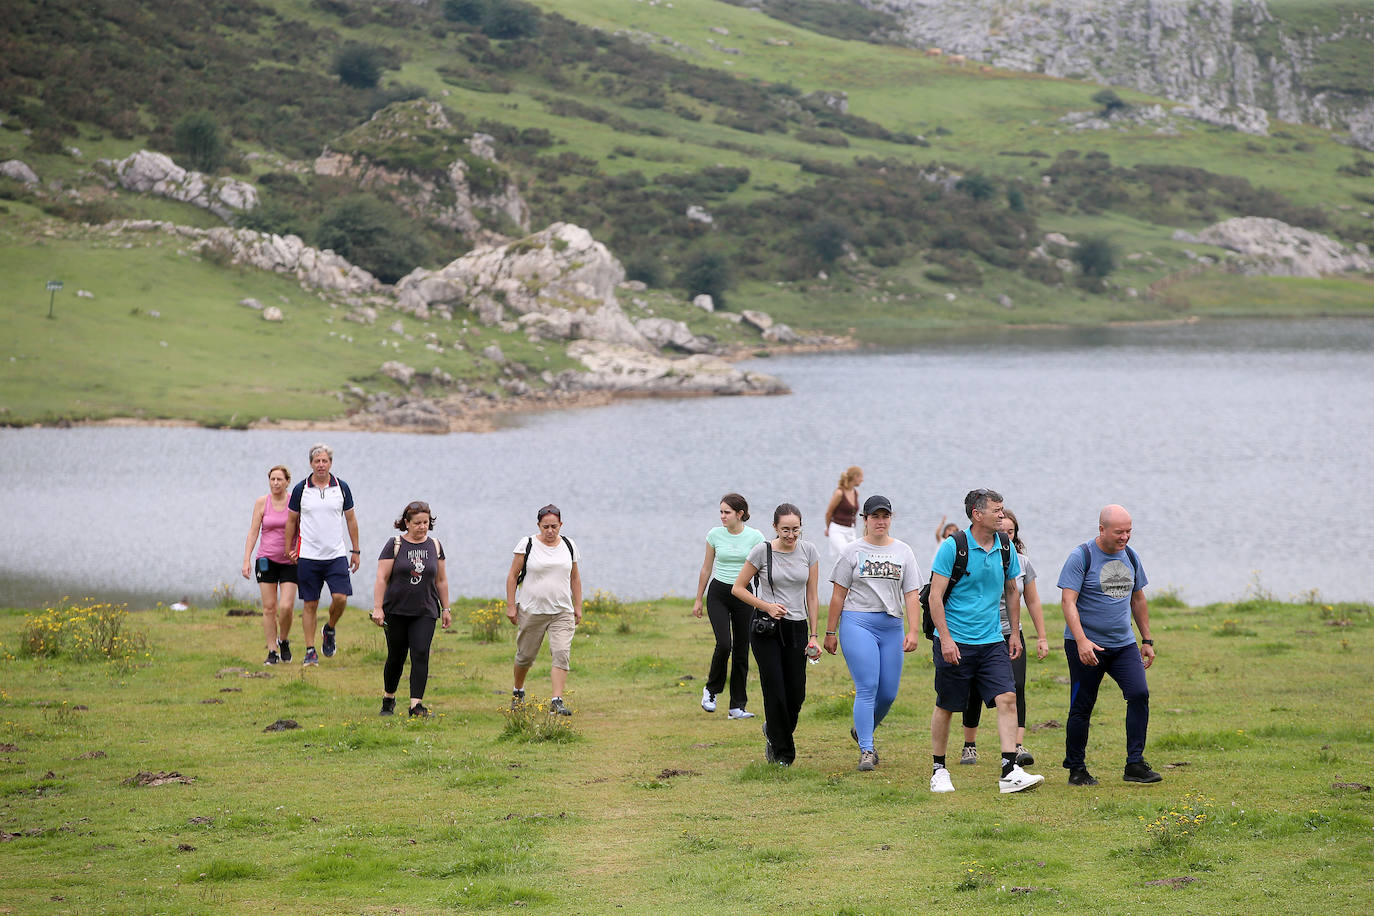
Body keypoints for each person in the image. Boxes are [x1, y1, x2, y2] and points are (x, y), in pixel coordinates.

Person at [926, 488, 1044, 794]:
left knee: (1007, 698)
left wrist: (1015, 632)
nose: (1002, 515)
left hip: (993, 640)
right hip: (955, 641)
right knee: (948, 705)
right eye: (997, 510)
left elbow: (1012, 590)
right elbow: (935, 597)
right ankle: (939, 769)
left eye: (1003, 509)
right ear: (977, 514)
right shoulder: (953, 547)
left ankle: (1009, 769)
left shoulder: (1006, 546)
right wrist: (947, 640)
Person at [1057, 504, 1160, 786]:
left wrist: (1147, 639)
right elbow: (1068, 601)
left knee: (1139, 694)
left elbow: (1138, 599)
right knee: (1082, 706)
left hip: (1123, 645)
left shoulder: (1131, 556)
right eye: (1119, 532)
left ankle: (1135, 764)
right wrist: (1081, 641)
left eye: (1129, 531)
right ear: (1101, 530)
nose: (1125, 537)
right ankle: (1076, 769)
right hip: (1087, 646)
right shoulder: (1082, 557)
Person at [822, 495, 922, 771]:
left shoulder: (904, 551)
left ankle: (861, 729)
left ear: (891, 519)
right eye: (875, 517)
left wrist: (913, 630)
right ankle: (867, 749)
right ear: (864, 520)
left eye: (885, 516)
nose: (880, 521)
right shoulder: (852, 551)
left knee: (888, 693)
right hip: (858, 623)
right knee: (868, 687)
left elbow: (912, 595)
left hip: (891, 625)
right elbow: (837, 595)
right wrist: (830, 632)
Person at [959, 508, 1049, 768]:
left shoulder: (1021, 562)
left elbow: (1031, 599)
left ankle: (1017, 746)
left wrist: (1041, 636)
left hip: (1011, 632)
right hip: (982, 631)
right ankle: (969, 745)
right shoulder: (982, 558)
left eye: (1010, 532)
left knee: (1016, 686)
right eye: (1001, 531)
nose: (1005, 535)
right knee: (974, 689)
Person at [731, 503, 820, 767]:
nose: (791, 535)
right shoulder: (762, 551)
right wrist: (766, 606)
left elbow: (812, 595)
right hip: (766, 628)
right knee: (775, 690)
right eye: (785, 530)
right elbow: (738, 588)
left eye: (795, 529)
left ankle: (773, 730)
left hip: (797, 628)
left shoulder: (809, 551)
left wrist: (814, 635)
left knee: (796, 694)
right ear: (775, 528)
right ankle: (783, 755)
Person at [369, 501, 451, 717]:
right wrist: (378, 608)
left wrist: (446, 608)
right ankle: (389, 698)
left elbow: (441, 580)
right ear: (407, 522)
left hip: (425, 610)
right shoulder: (394, 544)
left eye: (425, 522)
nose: (422, 527)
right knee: (396, 656)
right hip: (396, 610)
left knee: (421, 653)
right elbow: (381, 578)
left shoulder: (435, 545)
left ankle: (416, 705)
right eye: (417, 523)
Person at [283, 444, 360, 667]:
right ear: (310, 463)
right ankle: (310, 651)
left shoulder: (342, 487)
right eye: (317, 461)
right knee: (310, 604)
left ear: (330, 463)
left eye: (324, 461)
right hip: (308, 556)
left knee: (341, 598)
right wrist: (289, 547)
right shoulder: (300, 489)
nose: (320, 465)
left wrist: (355, 550)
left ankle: (330, 628)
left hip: (336, 555)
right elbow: (291, 520)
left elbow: (351, 520)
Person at [505, 504, 583, 716]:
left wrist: (578, 605)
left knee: (561, 653)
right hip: (532, 610)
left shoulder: (568, 545)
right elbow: (513, 576)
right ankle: (518, 691)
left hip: (562, 611)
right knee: (525, 656)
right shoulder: (527, 544)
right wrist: (511, 605)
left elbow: (575, 577)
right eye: (546, 526)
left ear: (561, 525)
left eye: (554, 526)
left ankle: (556, 700)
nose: (550, 531)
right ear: (539, 525)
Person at [692, 494, 765, 719]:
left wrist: (764, 601)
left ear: (740, 514)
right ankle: (711, 690)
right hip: (719, 594)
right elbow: (706, 568)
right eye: (721, 512)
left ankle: (737, 706)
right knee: (724, 644)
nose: (722, 516)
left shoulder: (755, 537)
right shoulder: (714, 535)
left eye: (727, 512)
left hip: (744, 595)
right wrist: (698, 599)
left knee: (742, 650)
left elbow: (762, 569)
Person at [240, 464, 297, 665]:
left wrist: (298, 551)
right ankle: (272, 651)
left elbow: (302, 531)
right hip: (266, 560)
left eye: (279, 479)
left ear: (287, 482)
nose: (275, 483)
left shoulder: (294, 502)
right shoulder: (262, 502)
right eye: (272, 479)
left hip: (290, 561)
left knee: (286, 606)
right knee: (269, 608)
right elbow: (254, 531)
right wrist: (247, 559)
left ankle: (284, 640)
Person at [823, 466, 862, 567]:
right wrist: (828, 529)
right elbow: (828, 513)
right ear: (855, 477)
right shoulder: (839, 493)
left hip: (850, 531)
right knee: (846, 556)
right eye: (861, 477)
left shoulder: (855, 493)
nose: (862, 480)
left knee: (856, 559)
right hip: (837, 530)